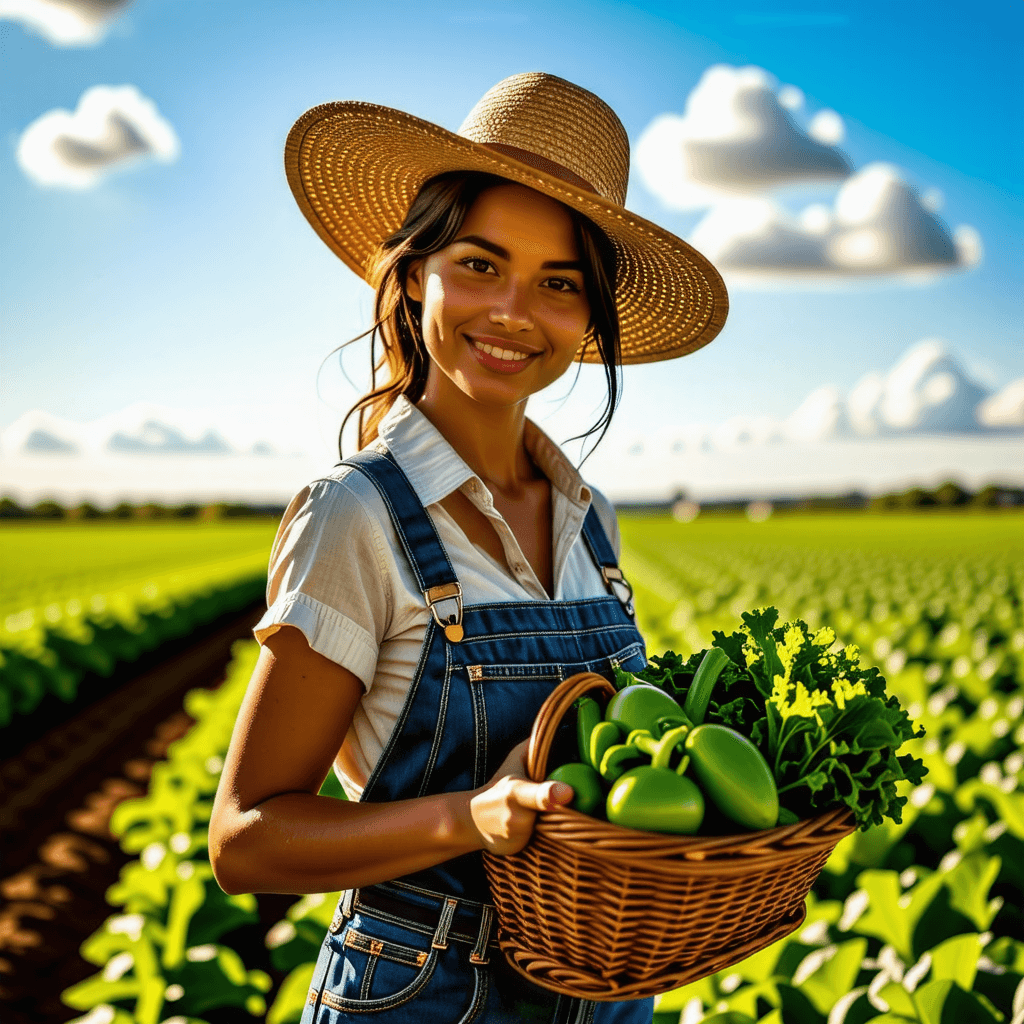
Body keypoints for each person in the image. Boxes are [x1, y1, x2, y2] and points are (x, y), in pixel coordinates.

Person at [209, 72, 727, 1023]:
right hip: (425, 992)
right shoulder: (355, 515)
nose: (514, 312)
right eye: (480, 264)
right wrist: (469, 817)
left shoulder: (592, 518)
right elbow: (247, 841)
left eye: (560, 283)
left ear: (590, 317)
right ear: (413, 274)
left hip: (607, 998)